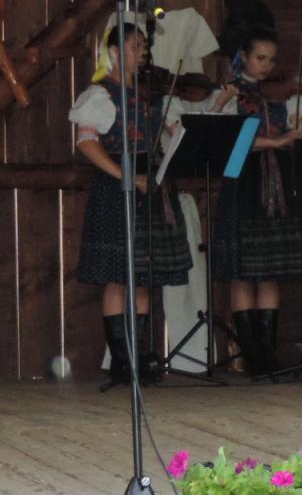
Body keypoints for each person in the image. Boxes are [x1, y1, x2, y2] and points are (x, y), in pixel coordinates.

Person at [194, 26, 302, 378]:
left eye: (271, 60)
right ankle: (251, 353)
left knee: (270, 273)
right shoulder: (230, 93)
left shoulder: (285, 97)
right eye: (260, 58)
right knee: (242, 274)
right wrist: (271, 140)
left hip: (280, 184)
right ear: (243, 57)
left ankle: (267, 354)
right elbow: (226, 142)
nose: (267, 66)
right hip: (242, 179)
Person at [70, 23, 193, 385]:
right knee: (117, 276)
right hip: (117, 185)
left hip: (148, 183)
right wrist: (124, 176)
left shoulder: (151, 97)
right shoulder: (101, 94)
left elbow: (176, 134)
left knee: (141, 277)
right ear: (115, 52)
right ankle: (122, 363)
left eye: (144, 47)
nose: (143, 53)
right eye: (136, 46)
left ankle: (137, 360)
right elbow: (86, 143)